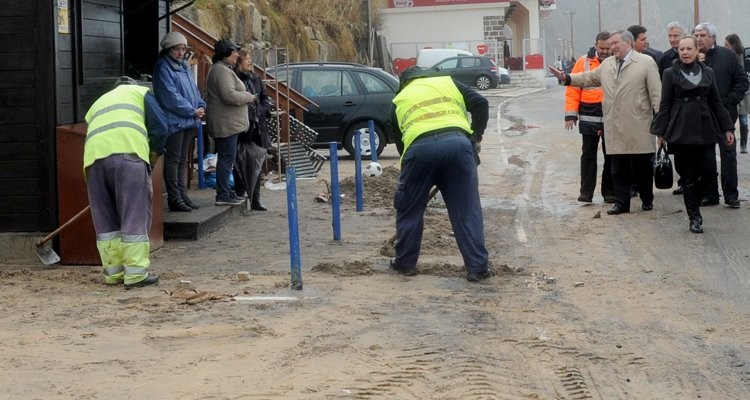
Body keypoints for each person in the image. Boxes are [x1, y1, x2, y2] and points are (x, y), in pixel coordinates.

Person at [389, 66, 490, 282]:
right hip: (458, 146)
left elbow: (400, 144)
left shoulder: (400, 98)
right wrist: (475, 136)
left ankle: (405, 263)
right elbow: (481, 103)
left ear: (404, 82)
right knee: (466, 209)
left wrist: (413, 175)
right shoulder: (449, 83)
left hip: (418, 150)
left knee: (409, 209)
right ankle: (477, 268)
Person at [549, 30, 661, 215]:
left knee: (642, 167)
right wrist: (566, 78)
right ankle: (621, 203)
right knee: (618, 168)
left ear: (628, 43)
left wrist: (660, 125)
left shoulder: (646, 63)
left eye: (615, 43)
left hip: (638, 125)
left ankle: (646, 198)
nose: (612, 47)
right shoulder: (608, 64)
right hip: (614, 125)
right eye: (611, 44)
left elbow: (657, 95)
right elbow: (588, 78)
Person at [83, 76, 169, 288]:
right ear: (133, 85)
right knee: (134, 213)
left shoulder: (98, 103)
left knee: (105, 219)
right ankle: (136, 274)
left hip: (92, 160)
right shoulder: (140, 93)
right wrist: (153, 156)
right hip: (128, 156)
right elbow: (161, 128)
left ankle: (113, 273)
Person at [651, 35, 735, 233]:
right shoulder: (670, 73)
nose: (685, 53)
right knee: (687, 175)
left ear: (698, 51)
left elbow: (716, 102)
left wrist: (728, 128)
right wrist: (660, 133)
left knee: (709, 172)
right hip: (680, 129)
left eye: (689, 49)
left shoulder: (708, 72)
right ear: (678, 52)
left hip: (705, 127)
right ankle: (694, 217)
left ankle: (692, 202)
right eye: (682, 49)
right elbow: (665, 105)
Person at [694, 22, 748, 208]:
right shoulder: (691, 57)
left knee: (728, 154)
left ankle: (731, 195)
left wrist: (730, 100)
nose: (699, 39)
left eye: (703, 35)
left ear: (713, 37)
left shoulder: (728, 56)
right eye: (697, 35)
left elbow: (742, 82)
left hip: (725, 114)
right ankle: (710, 195)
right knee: (706, 157)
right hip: (702, 115)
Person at [152, 31, 206, 212]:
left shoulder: (184, 67)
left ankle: (183, 195)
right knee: (174, 160)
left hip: (189, 119)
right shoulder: (162, 68)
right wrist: (193, 110)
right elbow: (170, 97)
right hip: (175, 121)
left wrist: (200, 106)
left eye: (183, 49)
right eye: (177, 49)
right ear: (168, 49)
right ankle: (174, 198)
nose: (181, 53)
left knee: (184, 160)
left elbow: (194, 91)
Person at [564, 31, 615, 204]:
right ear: (595, 45)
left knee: (612, 155)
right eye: (602, 48)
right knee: (588, 154)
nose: (605, 51)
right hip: (589, 114)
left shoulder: (616, 61)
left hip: (611, 115)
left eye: (608, 48)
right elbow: (573, 89)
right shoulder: (583, 62)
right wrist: (571, 115)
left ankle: (609, 192)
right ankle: (586, 192)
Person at [206, 38, 256, 206]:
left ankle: (226, 192)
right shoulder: (221, 71)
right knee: (226, 159)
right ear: (225, 53)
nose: (237, 54)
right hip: (225, 125)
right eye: (234, 51)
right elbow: (229, 96)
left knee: (228, 159)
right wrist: (248, 97)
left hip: (228, 124)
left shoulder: (223, 70)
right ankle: (223, 194)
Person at [234, 48, 273, 211]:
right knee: (239, 163)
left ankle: (255, 198)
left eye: (250, 58)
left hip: (258, 127)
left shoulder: (256, 78)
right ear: (238, 63)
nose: (250, 62)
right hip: (242, 126)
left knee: (257, 162)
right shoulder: (235, 79)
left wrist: (262, 110)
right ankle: (240, 194)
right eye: (246, 59)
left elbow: (265, 99)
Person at [725, 33, 750, 154]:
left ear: (733, 44)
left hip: (744, 93)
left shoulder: (744, 56)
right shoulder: (727, 56)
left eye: (727, 44)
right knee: (730, 121)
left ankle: (743, 145)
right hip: (731, 92)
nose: (725, 47)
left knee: (743, 120)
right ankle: (730, 142)